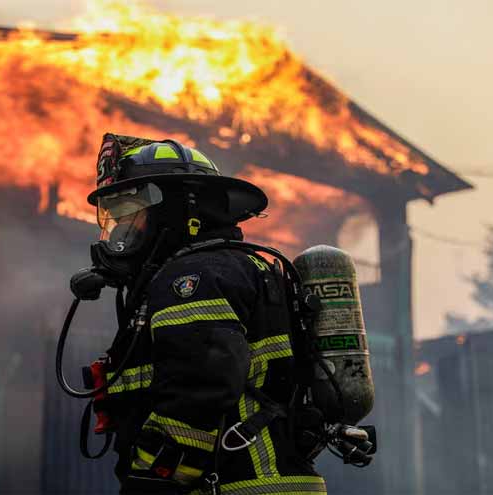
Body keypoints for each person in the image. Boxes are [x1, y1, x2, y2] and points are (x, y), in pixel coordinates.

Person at [73, 133, 329, 495]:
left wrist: (151, 479)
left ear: (174, 210)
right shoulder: (241, 268)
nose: (121, 233)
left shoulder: (192, 278)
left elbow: (198, 391)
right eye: (115, 218)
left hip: (234, 487)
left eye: (131, 214)